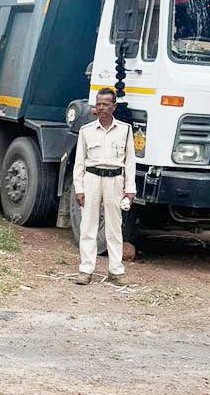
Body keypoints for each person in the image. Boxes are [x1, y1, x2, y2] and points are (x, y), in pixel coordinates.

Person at [72, 87, 137, 286]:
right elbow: (79, 162)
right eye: (98, 104)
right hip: (92, 179)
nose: (101, 108)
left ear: (113, 107)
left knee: (114, 227)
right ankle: (86, 270)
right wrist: (79, 188)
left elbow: (130, 161)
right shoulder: (86, 131)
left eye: (105, 104)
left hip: (115, 181)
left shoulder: (125, 131)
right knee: (88, 226)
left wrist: (130, 188)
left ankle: (116, 271)